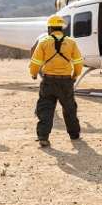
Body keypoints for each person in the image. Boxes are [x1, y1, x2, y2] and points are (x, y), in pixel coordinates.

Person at [29, 15, 84, 147]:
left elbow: (35, 62)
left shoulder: (44, 42)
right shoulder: (71, 42)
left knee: (46, 109)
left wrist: (34, 74)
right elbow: (78, 62)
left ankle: (43, 137)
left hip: (48, 81)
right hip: (66, 82)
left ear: (50, 28)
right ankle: (74, 134)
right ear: (61, 28)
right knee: (69, 108)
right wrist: (75, 75)